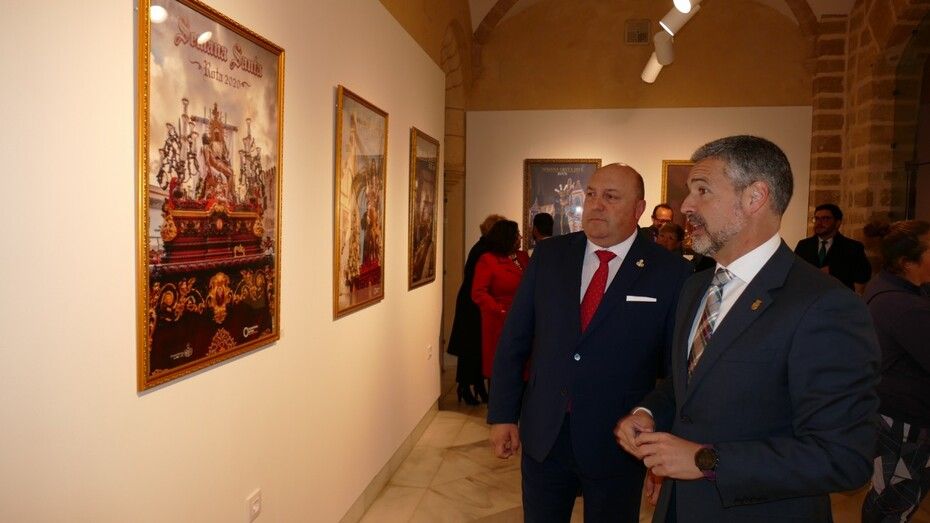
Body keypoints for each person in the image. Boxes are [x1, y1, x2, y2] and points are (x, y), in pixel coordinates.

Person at [615, 135, 880, 522]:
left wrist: (705, 460)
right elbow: (688, 385)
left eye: (702, 190)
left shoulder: (824, 304)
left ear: (755, 197)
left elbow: (844, 457)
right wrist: (648, 412)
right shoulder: (695, 287)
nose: (686, 206)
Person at [488, 163, 691, 522]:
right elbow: (514, 339)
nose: (596, 204)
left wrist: (660, 439)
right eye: (592, 194)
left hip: (618, 443)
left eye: (610, 197)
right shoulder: (549, 256)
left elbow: (676, 369)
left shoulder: (670, 272)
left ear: (638, 209)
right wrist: (503, 414)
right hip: (545, 434)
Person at [860, 220, 930, 522]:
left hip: (892, 413)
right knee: (895, 502)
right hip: (906, 422)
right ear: (907, 262)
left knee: (886, 495)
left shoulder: (888, 283)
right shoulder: (903, 305)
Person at [446, 214, 504, 405]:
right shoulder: (482, 251)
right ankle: (465, 387)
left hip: (473, 303)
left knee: (477, 349)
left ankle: (477, 386)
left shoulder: (484, 248)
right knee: (470, 349)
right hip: (471, 306)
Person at [472, 220, 530, 380]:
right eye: (517, 235)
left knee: (523, 369)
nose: (520, 237)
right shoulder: (488, 260)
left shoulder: (522, 256)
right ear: (507, 237)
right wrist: (500, 310)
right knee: (502, 370)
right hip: (500, 321)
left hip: (523, 319)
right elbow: (478, 293)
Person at [794, 203, 871, 293]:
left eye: (825, 218)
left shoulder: (852, 247)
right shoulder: (803, 245)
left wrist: (834, 271)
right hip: (808, 296)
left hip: (838, 297)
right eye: (817, 219)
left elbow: (863, 276)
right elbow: (794, 273)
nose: (819, 223)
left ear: (837, 223)